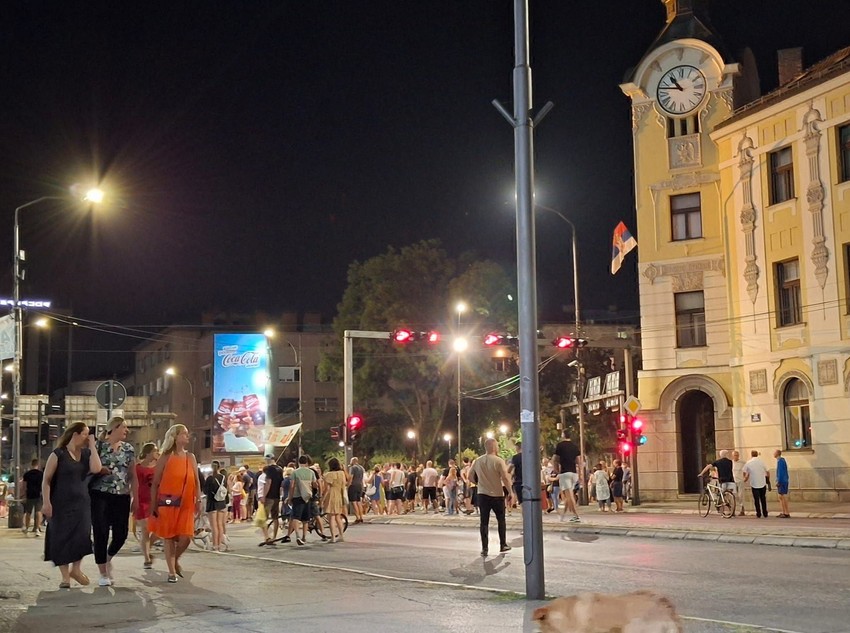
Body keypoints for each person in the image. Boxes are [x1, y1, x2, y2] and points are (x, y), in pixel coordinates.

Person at [42, 422, 103, 589]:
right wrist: (46, 502)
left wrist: (92, 446)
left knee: (81, 537)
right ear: (75, 434)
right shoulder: (58, 454)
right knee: (61, 538)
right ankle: (65, 577)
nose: (87, 437)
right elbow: (46, 480)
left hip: (82, 503)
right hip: (60, 503)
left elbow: (96, 469)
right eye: (85, 434)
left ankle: (76, 569)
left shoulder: (86, 454)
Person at [149, 424, 201, 583]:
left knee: (187, 537)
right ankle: (171, 571)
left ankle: (175, 558)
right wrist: (153, 504)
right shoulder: (165, 457)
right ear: (175, 437)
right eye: (184, 433)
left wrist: (198, 500)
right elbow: (155, 483)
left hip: (187, 503)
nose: (187, 436)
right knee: (169, 537)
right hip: (167, 502)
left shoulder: (190, 457)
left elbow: (197, 481)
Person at [90, 416, 138, 587]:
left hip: (122, 495)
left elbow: (132, 475)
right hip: (100, 494)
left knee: (121, 534)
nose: (127, 430)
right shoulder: (98, 446)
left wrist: (135, 498)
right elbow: (89, 468)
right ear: (115, 428)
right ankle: (103, 572)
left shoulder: (128, 449)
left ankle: (107, 558)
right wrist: (99, 469)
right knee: (101, 532)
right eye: (124, 427)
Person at [470, 437, 513, 557]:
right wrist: (510, 492)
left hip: (482, 494)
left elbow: (470, 476)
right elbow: (505, 477)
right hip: (497, 494)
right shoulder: (499, 461)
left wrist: (479, 483)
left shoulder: (477, 461)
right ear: (494, 446)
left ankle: (485, 548)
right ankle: (503, 544)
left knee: (484, 522)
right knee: (501, 520)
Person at [134, 443, 159, 568]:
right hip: (142, 500)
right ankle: (147, 558)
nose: (157, 453)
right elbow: (134, 484)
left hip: (156, 500)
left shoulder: (159, 466)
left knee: (159, 529)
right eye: (155, 451)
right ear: (148, 453)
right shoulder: (138, 468)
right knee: (145, 530)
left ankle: (149, 546)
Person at [284, 454, 318, 545]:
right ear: (307, 462)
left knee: (296, 517)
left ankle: (297, 536)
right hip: (307, 497)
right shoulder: (311, 472)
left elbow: (292, 486)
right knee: (305, 519)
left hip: (297, 497)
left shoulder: (295, 472)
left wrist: (290, 497)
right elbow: (315, 485)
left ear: (298, 462)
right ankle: (304, 537)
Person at [554, 432, 582, 523]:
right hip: (573, 473)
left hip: (565, 473)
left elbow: (555, 459)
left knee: (569, 496)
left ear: (563, 435)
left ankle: (576, 515)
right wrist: (580, 474)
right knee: (568, 495)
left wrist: (556, 471)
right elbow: (579, 461)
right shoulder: (575, 446)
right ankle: (562, 515)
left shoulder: (560, 445)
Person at [203, 460, 229, 552]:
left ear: (211, 467)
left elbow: (205, 491)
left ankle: (214, 545)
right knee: (220, 525)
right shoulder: (223, 477)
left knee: (214, 526)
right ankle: (219, 545)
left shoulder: (210, 478)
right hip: (221, 503)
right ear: (219, 467)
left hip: (212, 503)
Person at [260, 456, 284, 545]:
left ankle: (267, 537)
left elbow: (268, 482)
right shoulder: (280, 469)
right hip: (276, 496)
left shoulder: (269, 469)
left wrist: (263, 496)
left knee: (263, 518)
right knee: (275, 517)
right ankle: (274, 536)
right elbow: (281, 483)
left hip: (269, 496)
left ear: (268, 460)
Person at [322, 457, 347, 542]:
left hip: (331, 495)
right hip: (339, 495)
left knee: (331, 517)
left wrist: (322, 499)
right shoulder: (342, 473)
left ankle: (333, 537)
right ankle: (341, 535)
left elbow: (327, 488)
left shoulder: (329, 474)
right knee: (338, 517)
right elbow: (344, 484)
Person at [742, 450, 769, 518]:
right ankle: (765, 512)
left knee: (756, 499)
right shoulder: (762, 462)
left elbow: (744, 471)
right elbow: (767, 471)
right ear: (757, 454)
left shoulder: (749, 462)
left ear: (751, 455)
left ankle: (758, 513)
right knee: (763, 498)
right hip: (762, 482)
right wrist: (768, 480)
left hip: (754, 483)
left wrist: (745, 478)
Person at [22, 459, 44, 535]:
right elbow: (44, 484)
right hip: (38, 494)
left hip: (29, 494)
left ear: (31, 464)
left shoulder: (27, 474)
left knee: (28, 512)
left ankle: (26, 528)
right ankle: (37, 529)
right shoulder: (41, 474)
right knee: (38, 511)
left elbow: (24, 486)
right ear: (38, 464)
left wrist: (24, 494)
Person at [348, 457, 366, 523]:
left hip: (353, 485)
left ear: (353, 461)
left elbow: (351, 477)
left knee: (354, 502)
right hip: (359, 485)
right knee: (359, 501)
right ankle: (361, 517)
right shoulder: (361, 468)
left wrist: (348, 485)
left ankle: (357, 517)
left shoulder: (353, 468)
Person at [774, 449, 791, 518]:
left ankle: (786, 512)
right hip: (784, 480)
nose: (773, 454)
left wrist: (778, 481)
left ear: (777, 454)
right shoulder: (782, 461)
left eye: (774, 453)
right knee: (780, 496)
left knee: (782, 496)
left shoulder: (780, 461)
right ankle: (784, 511)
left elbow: (780, 472)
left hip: (782, 481)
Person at [507, 441, 523, 510]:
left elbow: (509, 469)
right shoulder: (529, 456)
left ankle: (525, 515)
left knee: (522, 502)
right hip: (530, 482)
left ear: (517, 448)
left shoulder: (515, 457)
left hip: (519, 481)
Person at [732, 450, 748, 516]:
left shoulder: (742, 462)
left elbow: (747, 470)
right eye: (735, 455)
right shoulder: (731, 463)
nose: (736, 456)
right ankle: (733, 510)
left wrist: (746, 477)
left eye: (737, 455)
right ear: (732, 456)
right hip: (733, 481)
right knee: (733, 496)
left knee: (741, 495)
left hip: (740, 480)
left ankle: (742, 510)